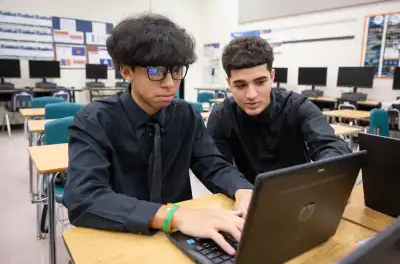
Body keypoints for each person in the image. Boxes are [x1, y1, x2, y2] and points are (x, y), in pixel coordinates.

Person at [63, 14, 253, 255]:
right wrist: (172, 216)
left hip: (179, 239)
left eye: (176, 71)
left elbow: (213, 164)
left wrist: (242, 189)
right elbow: (84, 199)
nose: (170, 83)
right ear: (127, 72)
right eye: (156, 71)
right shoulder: (94, 121)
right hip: (118, 236)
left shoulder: (186, 115)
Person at [207, 36, 351, 184]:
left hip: (301, 194)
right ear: (228, 83)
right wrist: (239, 189)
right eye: (240, 85)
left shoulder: (297, 106)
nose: (251, 95)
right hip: (248, 196)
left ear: (272, 76)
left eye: (260, 82)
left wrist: (324, 176)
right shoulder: (221, 116)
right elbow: (216, 166)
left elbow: (331, 146)